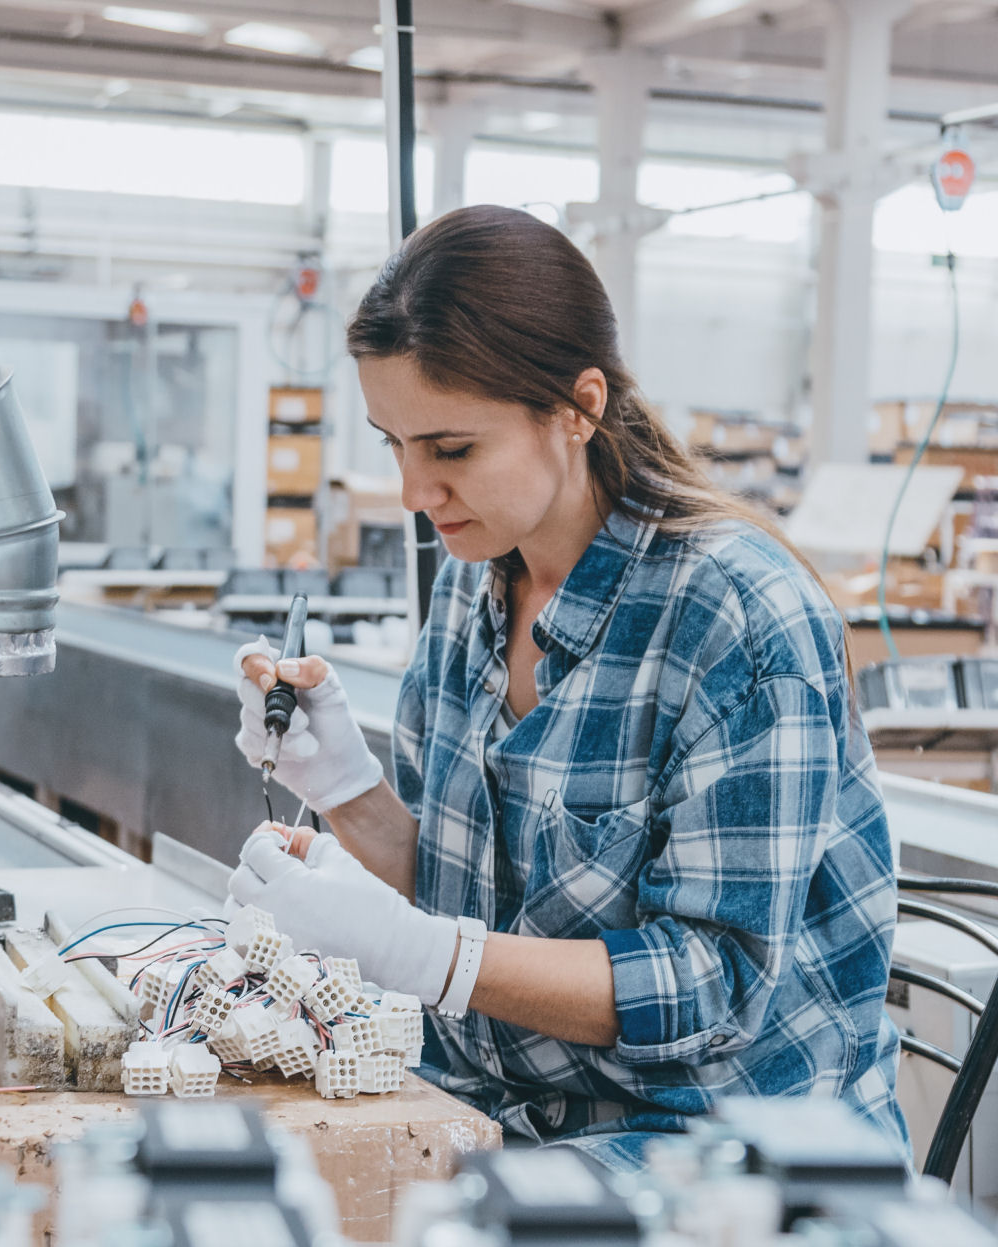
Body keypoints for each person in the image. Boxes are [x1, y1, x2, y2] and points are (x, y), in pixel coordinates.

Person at [226, 203, 906, 1171]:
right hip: (498, 1105)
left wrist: (421, 955)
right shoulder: (474, 582)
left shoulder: (734, 617)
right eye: (395, 444)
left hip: (716, 1144)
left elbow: (712, 987)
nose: (417, 495)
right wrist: (347, 793)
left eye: (452, 449)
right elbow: (475, 893)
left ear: (577, 407)